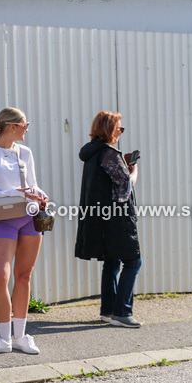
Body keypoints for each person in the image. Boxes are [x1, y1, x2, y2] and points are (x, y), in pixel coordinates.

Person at [75, 111, 143, 328]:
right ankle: (122, 312)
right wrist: (134, 173)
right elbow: (124, 186)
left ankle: (108, 312)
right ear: (107, 129)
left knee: (112, 262)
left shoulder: (94, 153)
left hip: (102, 218)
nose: (121, 132)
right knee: (133, 262)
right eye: (118, 128)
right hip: (117, 218)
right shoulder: (108, 154)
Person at [0, 108, 48, 354]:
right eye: (25, 124)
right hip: (2, 219)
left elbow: (32, 185)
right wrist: (18, 193)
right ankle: (4, 338)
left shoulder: (25, 152)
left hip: (29, 216)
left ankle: (21, 336)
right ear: (11, 126)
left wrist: (40, 194)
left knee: (24, 276)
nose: (27, 128)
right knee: (0, 279)